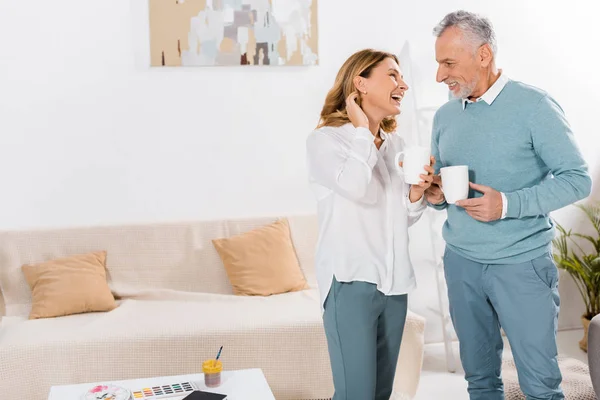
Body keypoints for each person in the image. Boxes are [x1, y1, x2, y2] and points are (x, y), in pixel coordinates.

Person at [425, 10, 592, 400]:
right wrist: (434, 195)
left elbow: (577, 178)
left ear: (483, 55)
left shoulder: (534, 106)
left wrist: (508, 205)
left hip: (521, 265)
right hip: (461, 263)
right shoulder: (445, 116)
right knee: (480, 381)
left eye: (448, 63)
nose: (439, 75)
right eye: (437, 64)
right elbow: (444, 186)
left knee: (540, 386)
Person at [305, 49, 434, 400]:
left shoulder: (398, 146)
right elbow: (355, 186)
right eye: (393, 75)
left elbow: (402, 217)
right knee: (356, 394)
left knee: (379, 394)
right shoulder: (325, 141)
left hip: (394, 286)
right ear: (360, 82)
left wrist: (417, 192)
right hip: (350, 282)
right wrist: (363, 130)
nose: (403, 85)